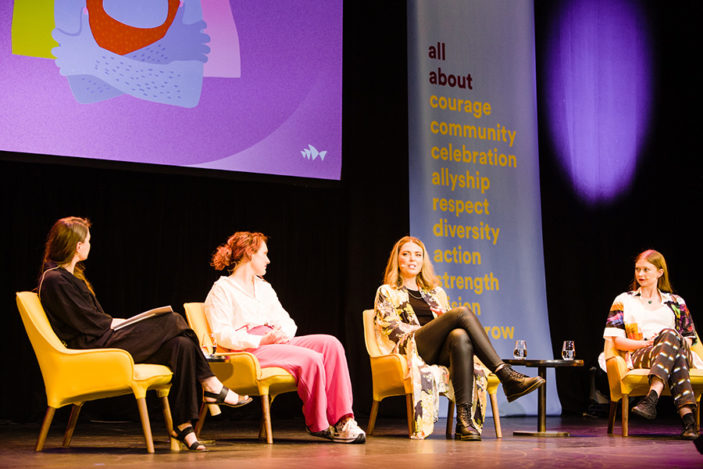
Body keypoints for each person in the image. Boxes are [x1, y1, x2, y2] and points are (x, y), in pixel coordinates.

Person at [38, 217, 251, 452]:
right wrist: (123, 323)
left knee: (182, 344)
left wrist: (125, 322)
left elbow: (92, 319)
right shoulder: (55, 279)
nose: (90, 245)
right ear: (78, 246)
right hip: (93, 349)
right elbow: (88, 324)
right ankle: (211, 384)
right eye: (88, 241)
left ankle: (184, 426)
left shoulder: (70, 277)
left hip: (101, 337)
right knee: (172, 320)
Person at [374, 236, 545, 440]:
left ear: (423, 261)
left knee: (460, 335)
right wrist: (427, 331)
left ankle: (464, 421)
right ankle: (505, 374)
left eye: (417, 255)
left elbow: (449, 328)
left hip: (438, 351)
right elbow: (390, 329)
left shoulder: (436, 293)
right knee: (461, 313)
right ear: (397, 260)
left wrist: (439, 331)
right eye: (406, 254)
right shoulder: (387, 291)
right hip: (411, 347)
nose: (412, 258)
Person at [204, 231, 366, 444]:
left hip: (274, 342)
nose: (268, 260)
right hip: (248, 351)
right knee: (311, 358)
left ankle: (344, 420)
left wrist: (282, 334)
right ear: (250, 254)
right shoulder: (222, 288)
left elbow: (287, 320)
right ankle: (318, 424)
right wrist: (260, 341)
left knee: (330, 344)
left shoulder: (264, 287)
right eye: (264, 253)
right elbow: (222, 333)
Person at [603, 249, 702, 440]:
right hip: (642, 353)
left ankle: (651, 398)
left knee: (670, 336)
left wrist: (668, 338)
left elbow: (689, 338)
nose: (640, 274)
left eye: (646, 270)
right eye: (637, 269)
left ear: (659, 272)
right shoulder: (624, 300)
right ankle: (689, 421)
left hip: (679, 348)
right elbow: (617, 340)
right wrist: (649, 342)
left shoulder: (675, 302)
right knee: (675, 353)